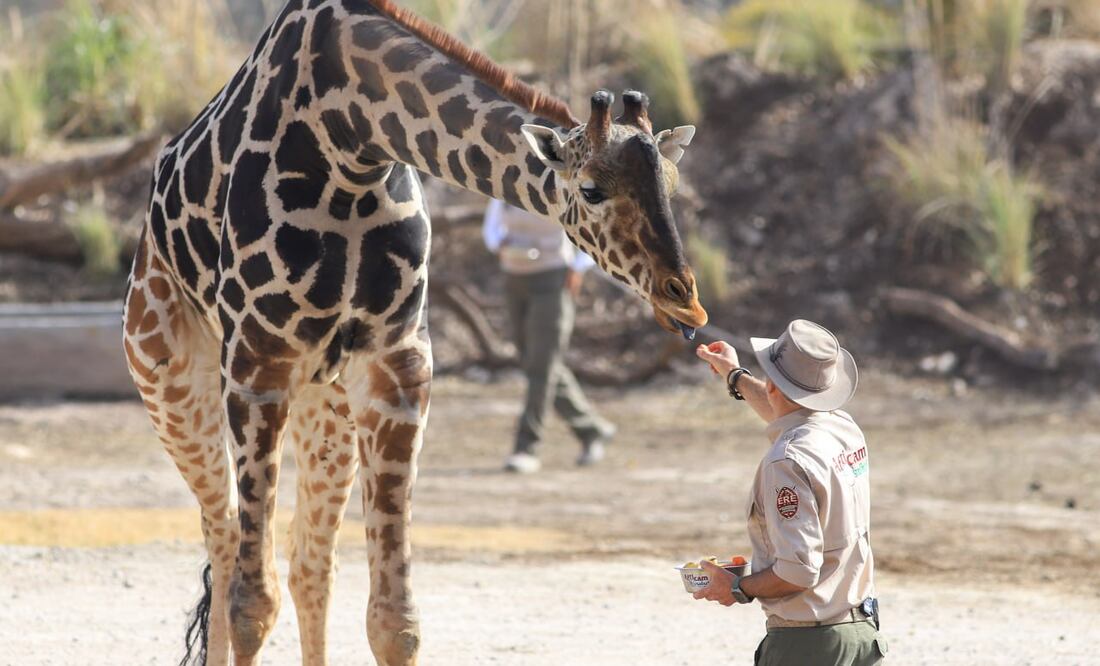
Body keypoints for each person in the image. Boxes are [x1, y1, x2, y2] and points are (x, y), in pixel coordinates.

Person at [692, 319, 887, 665]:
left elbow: (798, 572)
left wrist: (736, 587)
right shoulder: (843, 427)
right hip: (862, 638)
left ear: (773, 387)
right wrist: (734, 375)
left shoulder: (786, 462)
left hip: (809, 647)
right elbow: (789, 412)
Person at [483, 199, 615, 473]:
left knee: (541, 367)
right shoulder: (506, 180)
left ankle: (526, 447)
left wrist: (578, 266)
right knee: (536, 362)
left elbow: (592, 229)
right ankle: (591, 429)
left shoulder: (560, 184)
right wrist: (500, 245)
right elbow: (492, 227)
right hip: (514, 279)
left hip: (553, 281)